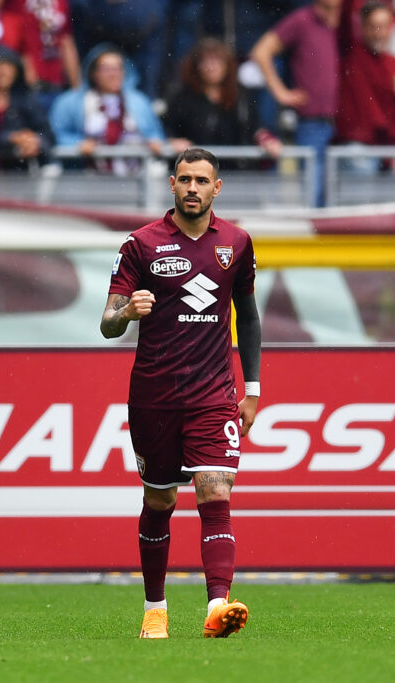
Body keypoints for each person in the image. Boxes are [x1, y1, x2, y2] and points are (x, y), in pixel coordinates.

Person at [100, 147, 262, 640]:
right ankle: (155, 608)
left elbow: (248, 318)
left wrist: (251, 387)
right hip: (154, 396)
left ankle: (218, 605)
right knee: (161, 498)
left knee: (215, 488)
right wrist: (128, 313)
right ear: (172, 184)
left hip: (214, 392)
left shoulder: (236, 242)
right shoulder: (140, 244)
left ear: (218, 188)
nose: (193, 188)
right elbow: (107, 323)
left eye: (202, 180)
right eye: (185, 179)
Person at [250, 0, 344, 206]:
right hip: (313, 122)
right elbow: (261, 52)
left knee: (345, 202)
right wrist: (280, 91)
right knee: (315, 198)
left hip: (348, 124)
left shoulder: (347, 20)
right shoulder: (302, 20)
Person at [49, 44, 167, 175]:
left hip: (135, 177)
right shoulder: (70, 101)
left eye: (118, 68)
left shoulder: (139, 101)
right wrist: (77, 144)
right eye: (106, 69)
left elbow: (154, 133)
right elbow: (56, 134)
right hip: (89, 178)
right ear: (94, 73)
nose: (113, 74)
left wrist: (156, 142)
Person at [163, 38, 281, 163]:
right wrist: (173, 141)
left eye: (217, 61)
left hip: (238, 171)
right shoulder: (182, 98)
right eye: (205, 62)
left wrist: (267, 140)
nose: (211, 67)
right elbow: (168, 129)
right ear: (196, 66)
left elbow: (255, 127)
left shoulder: (242, 95)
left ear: (227, 65)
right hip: (197, 172)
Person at [335, 0, 395, 176]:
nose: (379, 33)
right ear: (362, 27)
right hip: (358, 148)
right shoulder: (352, 55)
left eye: (384, 26)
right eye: (373, 26)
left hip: (388, 153)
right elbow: (344, 16)